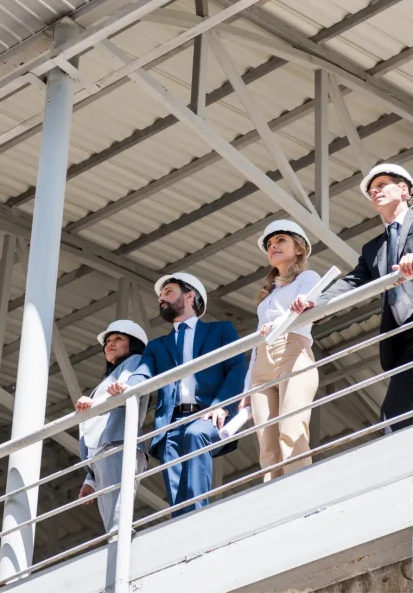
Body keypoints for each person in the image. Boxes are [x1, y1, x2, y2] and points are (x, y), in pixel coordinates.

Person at [107, 273, 246, 517]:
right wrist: (128, 386)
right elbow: (144, 374)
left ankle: (199, 517)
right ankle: (182, 523)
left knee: (196, 434)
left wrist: (221, 405)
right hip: (171, 422)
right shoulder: (158, 346)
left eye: (168, 291)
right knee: (175, 485)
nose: (161, 298)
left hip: (208, 413)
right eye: (161, 295)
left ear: (190, 295)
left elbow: (237, 368)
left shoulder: (220, 330)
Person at [290, 163, 413, 431]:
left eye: (381, 186)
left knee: (396, 416)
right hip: (403, 337)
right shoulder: (374, 249)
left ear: (404, 189)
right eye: (371, 191)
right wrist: (315, 302)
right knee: (395, 416)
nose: (375, 192)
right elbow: (352, 282)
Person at [241, 220, 320, 481]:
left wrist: (296, 309)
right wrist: (247, 389)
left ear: (299, 248)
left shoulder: (308, 278)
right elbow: (256, 340)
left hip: (292, 349)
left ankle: (299, 489)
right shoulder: (268, 294)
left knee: (291, 426)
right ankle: (274, 495)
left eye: (281, 241)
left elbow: (310, 309)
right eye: (269, 244)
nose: (273, 246)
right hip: (262, 362)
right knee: (266, 440)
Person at [75, 320, 150, 533]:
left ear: (133, 344)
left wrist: (93, 403)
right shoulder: (105, 380)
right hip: (103, 452)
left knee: (117, 518)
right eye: (108, 341)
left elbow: (124, 387)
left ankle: (121, 550)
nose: (110, 344)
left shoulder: (136, 361)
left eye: (118, 339)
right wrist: (91, 478)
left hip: (117, 445)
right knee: (112, 517)